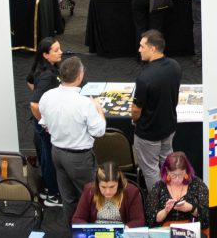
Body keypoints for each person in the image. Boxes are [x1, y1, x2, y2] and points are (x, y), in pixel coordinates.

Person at [38, 56, 106, 222]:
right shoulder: (84, 103)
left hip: (57, 153)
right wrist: (99, 111)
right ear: (79, 77)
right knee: (91, 196)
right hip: (79, 158)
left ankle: (74, 230)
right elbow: (99, 131)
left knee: (68, 198)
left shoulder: (47, 96)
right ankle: (92, 231)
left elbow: (43, 123)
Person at [132, 30, 182, 193]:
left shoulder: (145, 77)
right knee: (168, 162)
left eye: (142, 46)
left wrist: (134, 120)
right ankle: (175, 194)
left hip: (149, 133)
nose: (139, 49)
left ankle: (158, 202)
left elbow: (136, 110)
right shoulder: (175, 66)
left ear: (152, 49)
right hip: (168, 128)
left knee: (150, 170)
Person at [27, 38, 63, 207]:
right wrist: (44, 122)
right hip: (44, 125)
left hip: (40, 124)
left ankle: (48, 189)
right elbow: (34, 104)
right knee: (49, 157)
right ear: (46, 54)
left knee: (45, 154)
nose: (60, 52)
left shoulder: (42, 67)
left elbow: (29, 81)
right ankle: (53, 195)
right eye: (56, 50)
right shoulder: (47, 75)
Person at [144, 151, 210, 228]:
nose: (178, 179)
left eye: (181, 174)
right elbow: (151, 220)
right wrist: (165, 211)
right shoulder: (158, 187)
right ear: (167, 171)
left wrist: (191, 208)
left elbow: (208, 216)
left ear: (186, 170)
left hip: (191, 229)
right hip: (166, 230)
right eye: (174, 175)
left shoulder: (197, 184)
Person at [73, 161, 146, 227]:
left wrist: (125, 229)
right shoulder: (89, 191)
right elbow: (77, 218)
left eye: (112, 187)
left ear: (119, 183)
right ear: (97, 185)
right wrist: (90, 230)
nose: (107, 191)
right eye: (103, 187)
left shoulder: (131, 192)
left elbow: (139, 220)